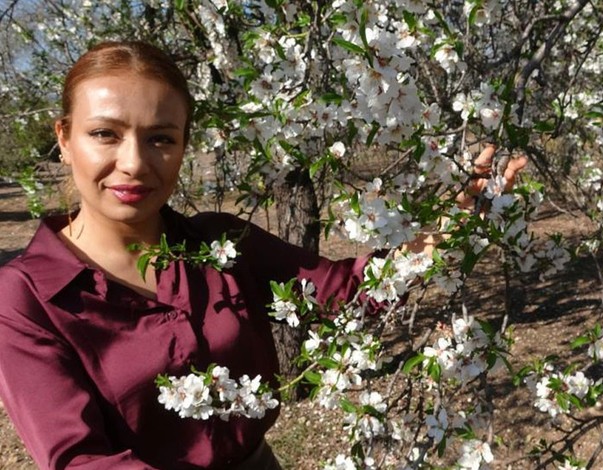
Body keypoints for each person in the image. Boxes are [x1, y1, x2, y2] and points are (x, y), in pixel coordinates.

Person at [0, 41, 527, 469]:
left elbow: (344, 294)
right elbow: (80, 459)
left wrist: (441, 234)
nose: (134, 163)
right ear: (65, 139)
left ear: (184, 145)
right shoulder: (27, 297)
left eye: (161, 138)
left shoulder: (221, 243)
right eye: (104, 134)